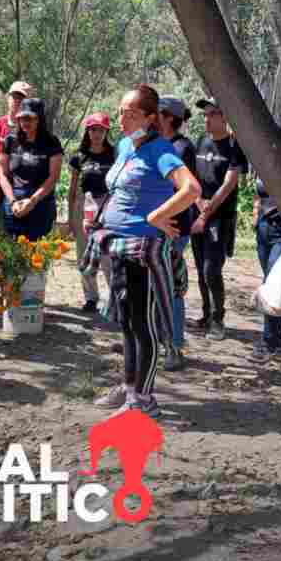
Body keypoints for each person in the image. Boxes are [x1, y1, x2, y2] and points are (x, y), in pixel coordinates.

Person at [81, 84, 199, 418]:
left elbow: (191, 189)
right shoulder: (124, 146)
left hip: (144, 252)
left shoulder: (161, 151)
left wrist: (157, 216)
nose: (122, 117)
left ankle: (144, 401)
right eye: (120, 110)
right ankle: (130, 387)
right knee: (128, 324)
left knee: (143, 326)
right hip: (118, 247)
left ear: (149, 117)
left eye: (131, 113)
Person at [190, 96, 248, 341]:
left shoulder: (235, 146)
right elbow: (191, 178)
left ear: (225, 117)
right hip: (197, 214)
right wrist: (198, 203)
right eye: (205, 114)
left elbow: (229, 184)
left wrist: (208, 209)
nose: (207, 119)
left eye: (213, 114)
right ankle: (205, 315)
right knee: (201, 268)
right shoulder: (201, 142)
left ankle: (218, 320)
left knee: (212, 269)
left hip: (219, 218)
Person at [155, 97, 198, 371]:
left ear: (169, 117)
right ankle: (162, 339)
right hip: (158, 226)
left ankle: (175, 346)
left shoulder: (181, 148)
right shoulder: (160, 145)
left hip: (173, 227)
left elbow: (178, 190)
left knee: (171, 289)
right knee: (158, 286)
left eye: (157, 112)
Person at [67, 112, 116, 315]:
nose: (97, 134)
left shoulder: (114, 154)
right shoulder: (79, 156)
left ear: (106, 132)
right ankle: (90, 298)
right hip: (84, 206)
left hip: (108, 204)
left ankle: (114, 297)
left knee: (108, 254)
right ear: (88, 131)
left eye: (101, 130)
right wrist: (71, 218)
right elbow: (72, 188)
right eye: (93, 129)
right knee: (84, 254)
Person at [0, 98, 63, 241]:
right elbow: (3, 174)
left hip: (41, 206)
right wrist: (12, 202)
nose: (24, 122)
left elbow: (53, 177)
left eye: (29, 118)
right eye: (21, 118)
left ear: (39, 119)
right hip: (14, 206)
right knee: (13, 256)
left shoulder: (51, 143)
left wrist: (32, 201)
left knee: (38, 258)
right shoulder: (10, 141)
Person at [250, 168, 281, 363]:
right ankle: (277, 340)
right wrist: (255, 212)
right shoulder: (262, 159)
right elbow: (258, 192)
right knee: (269, 281)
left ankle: (270, 342)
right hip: (264, 228)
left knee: (272, 282)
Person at [0, 81, 35, 229]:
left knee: (21, 240)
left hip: (22, 193)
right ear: (8, 98)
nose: (17, 101)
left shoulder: (31, 130)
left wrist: (0, 159)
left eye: (22, 98)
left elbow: (31, 162)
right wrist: (12, 158)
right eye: (14, 97)